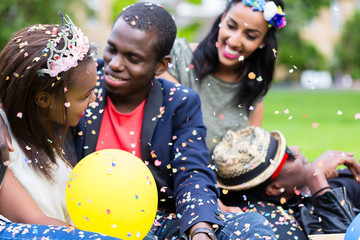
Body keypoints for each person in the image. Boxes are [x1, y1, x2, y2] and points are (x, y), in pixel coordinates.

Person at [74, 2, 278, 240]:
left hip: (156, 218)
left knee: (250, 225)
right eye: (112, 49)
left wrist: (200, 230)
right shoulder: (82, 85)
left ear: (161, 65)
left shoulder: (179, 102)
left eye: (133, 58)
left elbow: (192, 170)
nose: (115, 64)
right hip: (90, 220)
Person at [158, 0, 307, 239]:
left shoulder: (254, 89)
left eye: (250, 35)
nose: (235, 40)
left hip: (227, 197)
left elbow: (245, 162)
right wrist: (208, 201)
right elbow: (170, 145)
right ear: (222, 17)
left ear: (263, 41)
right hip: (176, 192)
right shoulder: (177, 59)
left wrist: (285, 161)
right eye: (231, 25)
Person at [0, 11, 120, 240]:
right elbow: (37, 223)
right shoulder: (6, 146)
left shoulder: (52, 118)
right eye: (85, 96)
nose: (94, 99)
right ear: (43, 100)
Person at [213, 126, 360, 236]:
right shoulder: (284, 225)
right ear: (275, 188)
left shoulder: (321, 186)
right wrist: (317, 181)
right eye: (288, 155)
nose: (296, 149)